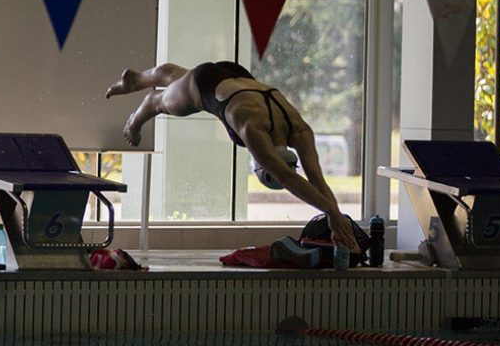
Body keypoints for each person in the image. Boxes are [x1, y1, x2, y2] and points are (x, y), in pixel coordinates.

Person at [106, 61, 361, 254]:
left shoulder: (300, 129)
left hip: (236, 76)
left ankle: (136, 79)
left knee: (178, 82)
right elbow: (287, 178)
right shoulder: (254, 129)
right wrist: (333, 214)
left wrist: (335, 216)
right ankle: (136, 120)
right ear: (262, 165)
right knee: (162, 101)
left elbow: (316, 178)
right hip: (205, 85)